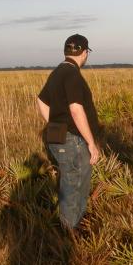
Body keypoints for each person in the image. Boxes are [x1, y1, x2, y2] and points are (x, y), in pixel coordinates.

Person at [37, 34, 101, 230]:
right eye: (86, 52)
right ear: (84, 52)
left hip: (59, 135)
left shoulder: (57, 72)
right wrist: (91, 142)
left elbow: (40, 100)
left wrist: (54, 123)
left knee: (70, 181)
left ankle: (71, 227)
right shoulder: (72, 74)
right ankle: (70, 231)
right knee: (75, 185)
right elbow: (75, 108)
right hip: (73, 139)